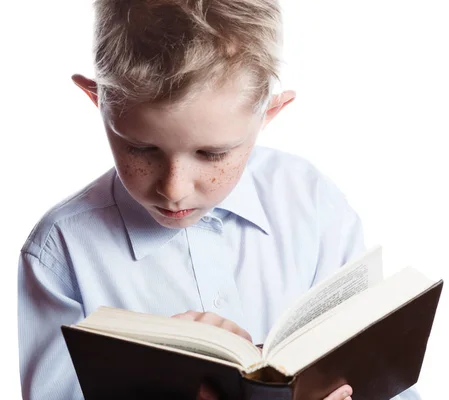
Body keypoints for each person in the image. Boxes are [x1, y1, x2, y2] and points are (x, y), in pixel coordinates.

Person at [18, 1, 420, 399]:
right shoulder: (61, 250)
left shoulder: (311, 204)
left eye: (212, 155)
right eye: (141, 149)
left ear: (268, 114)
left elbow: (384, 378)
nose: (174, 189)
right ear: (97, 100)